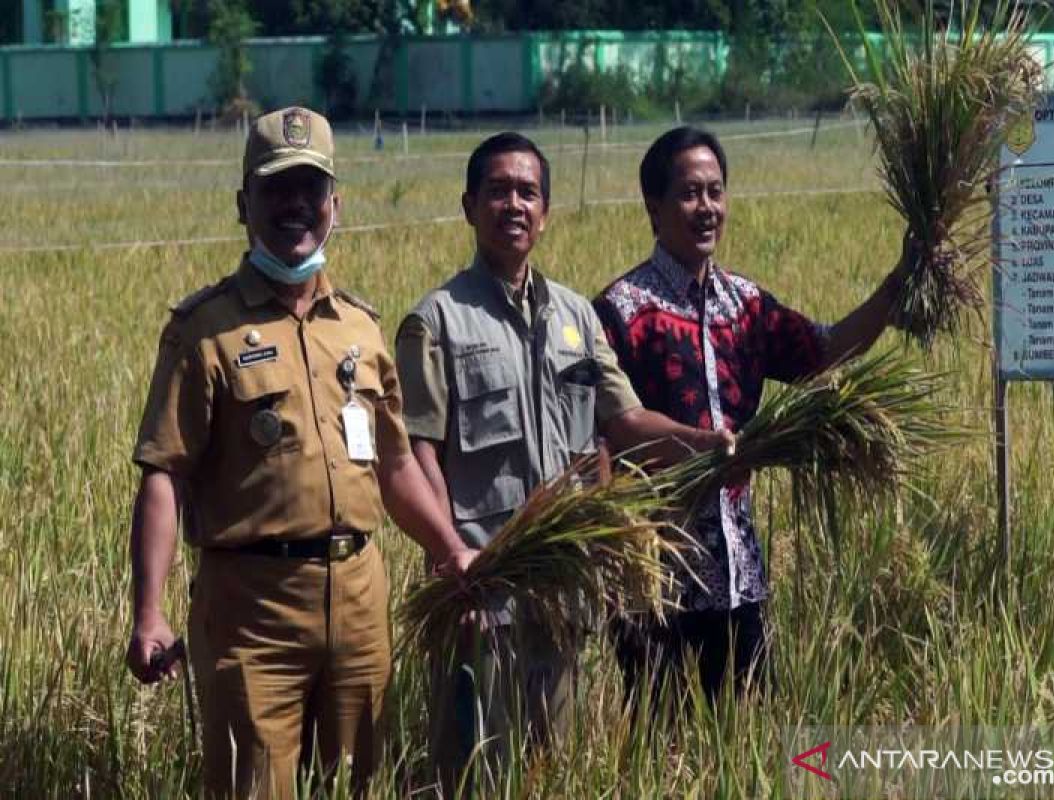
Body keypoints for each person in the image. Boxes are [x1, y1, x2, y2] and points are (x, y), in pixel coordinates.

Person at [124, 106, 476, 800]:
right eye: (275, 188)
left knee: (356, 784)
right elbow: (165, 473)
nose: (295, 206)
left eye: (310, 189)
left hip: (358, 601)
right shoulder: (205, 331)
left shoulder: (360, 327)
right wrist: (148, 613)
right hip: (251, 611)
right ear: (242, 203)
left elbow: (396, 464)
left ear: (335, 206)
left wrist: (448, 549)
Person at [394, 132, 732, 791]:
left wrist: (700, 441)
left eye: (527, 192)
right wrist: (452, 561)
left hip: (562, 596)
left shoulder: (577, 316)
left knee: (554, 773)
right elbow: (419, 452)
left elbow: (623, 423)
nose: (513, 204)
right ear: (469, 207)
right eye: (498, 191)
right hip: (481, 595)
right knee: (475, 774)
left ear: (545, 212)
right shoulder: (436, 321)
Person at [592, 126, 905, 706]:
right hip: (656, 582)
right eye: (689, 193)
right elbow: (605, 432)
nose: (706, 207)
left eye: (715, 191)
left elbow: (824, 351)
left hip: (738, 576)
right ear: (654, 207)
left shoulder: (746, 305)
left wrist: (896, 285)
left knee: (743, 744)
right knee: (662, 749)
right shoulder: (621, 311)